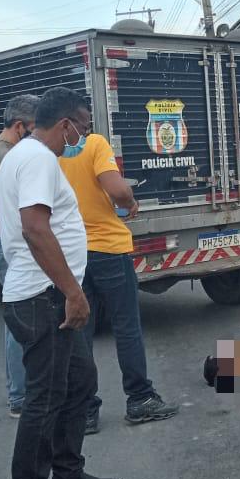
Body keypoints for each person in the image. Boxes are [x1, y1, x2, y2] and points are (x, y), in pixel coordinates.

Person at [0, 87, 120, 479]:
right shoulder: (36, 159)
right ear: (66, 124)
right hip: (42, 296)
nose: (83, 136)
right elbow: (35, 228)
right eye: (82, 127)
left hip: (47, 294)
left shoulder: (31, 157)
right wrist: (72, 291)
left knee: (80, 382)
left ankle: (68, 474)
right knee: (45, 396)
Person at [60, 131, 179, 435]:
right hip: (109, 250)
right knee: (126, 326)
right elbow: (118, 189)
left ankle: (84, 410)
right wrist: (130, 202)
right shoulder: (95, 144)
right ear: (78, 119)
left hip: (73, 252)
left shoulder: (51, 152)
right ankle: (140, 399)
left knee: (80, 330)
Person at [0, 93, 41, 418]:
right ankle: (20, 396)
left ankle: (21, 392)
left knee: (19, 319)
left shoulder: (2, 150)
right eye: (33, 128)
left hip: (7, 243)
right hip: (9, 245)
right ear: (19, 126)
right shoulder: (6, 156)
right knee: (18, 322)